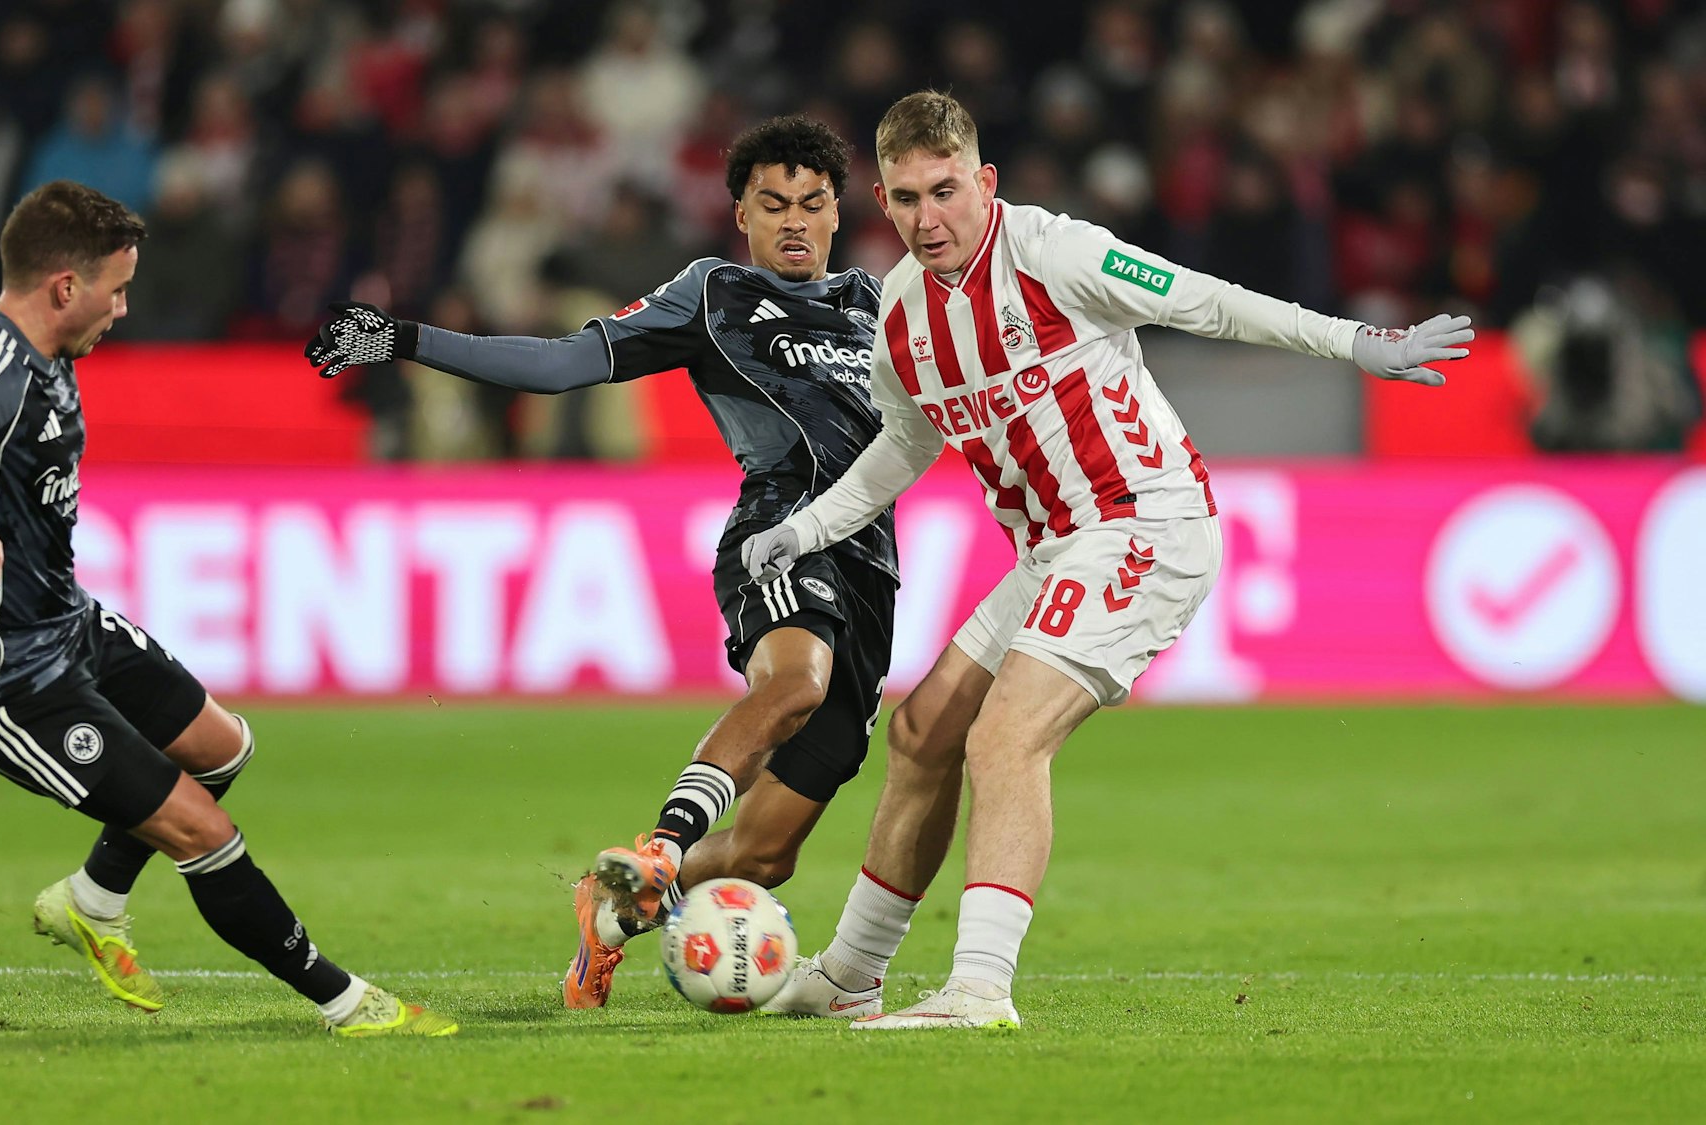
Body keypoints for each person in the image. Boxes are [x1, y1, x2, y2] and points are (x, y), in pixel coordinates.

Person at [744, 92, 1473, 1029]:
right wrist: (804, 530)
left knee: (1005, 738)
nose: (930, 219)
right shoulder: (899, 313)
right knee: (923, 731)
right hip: (1052, 548)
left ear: (985, 181)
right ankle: (851, 971)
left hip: (1144, 523)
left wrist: (1358, 342)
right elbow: (905, 444)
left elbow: (1207, 301)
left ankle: (978, 988)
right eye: (908, 198)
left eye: (947, 191)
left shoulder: (1055, 253)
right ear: (883, 201)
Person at [305, 116, 897, 1011]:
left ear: (837, 213)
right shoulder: (714, 293)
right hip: (779, 530)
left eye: (813, 205)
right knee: (794, 684)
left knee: (763, 853)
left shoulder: (878, 303)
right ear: (740, 213)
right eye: (773, 204)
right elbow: (564, 363)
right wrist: (406, 339)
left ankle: (614, 911)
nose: (795, 223)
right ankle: (660, 844)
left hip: (872, 570)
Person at [0, 181, 455, 1038]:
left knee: (223, 745)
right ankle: (344, 999)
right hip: (1, 669)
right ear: (66, 286)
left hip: (66, 622)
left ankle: (92, 901)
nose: (125, 305)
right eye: (117, 287)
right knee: (200, 828)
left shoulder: (37, 348)